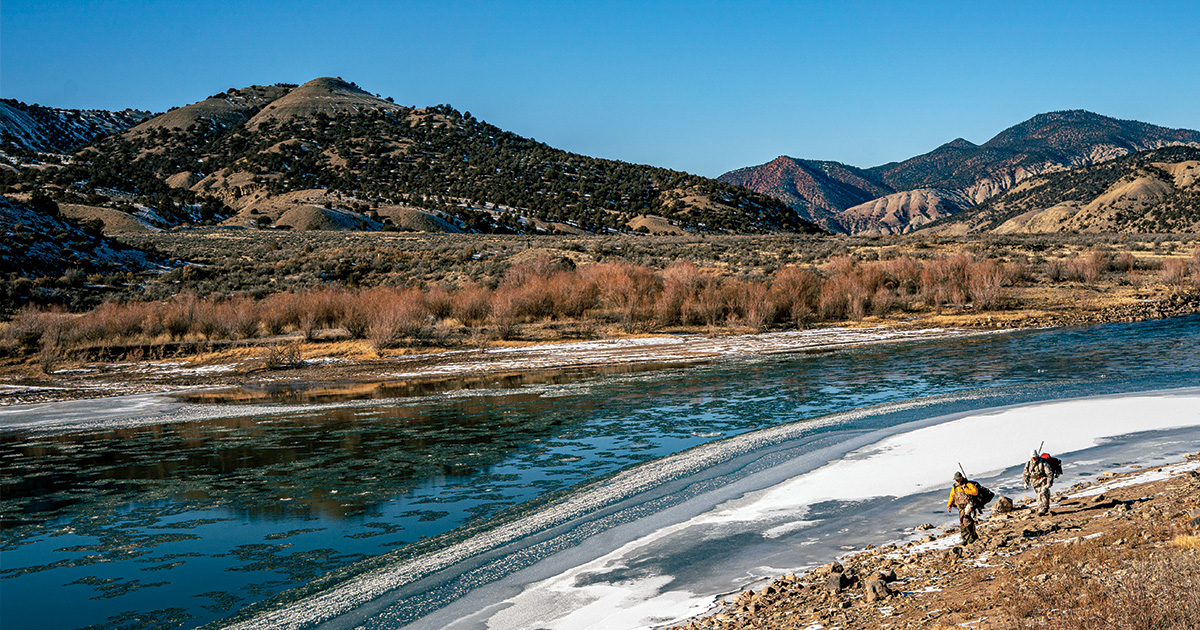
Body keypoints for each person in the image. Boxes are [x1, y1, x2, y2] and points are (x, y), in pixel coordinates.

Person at [946, 471, 980, 544]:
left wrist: (966, 489)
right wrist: (949, 505)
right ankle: (965, 538)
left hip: (968, 506)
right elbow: (952, 496)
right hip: (960, 508)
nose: (957, 481)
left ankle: (972, 536)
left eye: (958, 479)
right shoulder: (955, 486)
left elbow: (975, 492)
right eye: (956, 479)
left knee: (967, 521)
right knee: (962, 523)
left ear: (961, 477)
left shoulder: (968, 484)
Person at [1023, 449, 1055, 516]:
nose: (1034, 459)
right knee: (1039, 496)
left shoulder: (1043, 463)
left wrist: (1049, 482)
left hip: (1043, 481)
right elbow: (1025, 474)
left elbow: (1049, 473)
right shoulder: (1028, 464)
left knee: (1042, 493)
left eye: (1035, 457)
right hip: (1034, 483)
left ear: (1037, 456)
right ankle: (1045, 507)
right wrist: (1025, 482)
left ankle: (1042, 509)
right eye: (1033, 458)